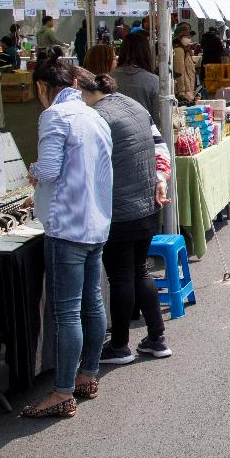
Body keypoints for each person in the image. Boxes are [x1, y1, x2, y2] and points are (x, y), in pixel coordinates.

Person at [20, 58, 113, 418]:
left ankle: (61, 390)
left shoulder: (55, 117)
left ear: (43, 87)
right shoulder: (95, 115)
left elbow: (48, 169)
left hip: (66, 224)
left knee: (66, 311)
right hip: (96, 221)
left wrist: (32, 172)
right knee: (90, 302)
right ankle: (88, 374)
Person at [76, 70, 173, 365]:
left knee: (121, 276)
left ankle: (119, 345)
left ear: (79, 90)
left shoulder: (97, 116)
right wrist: (160, 178)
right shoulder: (133, 105)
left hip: (120, 208)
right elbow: (160, 145)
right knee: (140, 272)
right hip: (147, 203)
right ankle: (157, 338)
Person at [112, 31, 160, 124]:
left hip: (114, 134)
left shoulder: (108, 78)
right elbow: (158, 118)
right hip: (146, 133)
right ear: (146, 52)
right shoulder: (153, 81)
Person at [172, 31, 197, 105]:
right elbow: (179, 71)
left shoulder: (185, 50)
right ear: (180, 38)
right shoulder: (179, 50)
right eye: (187, 37)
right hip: (184, 90)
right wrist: (181, 91)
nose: (189, 40)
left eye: (190, 38)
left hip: (188, 88)